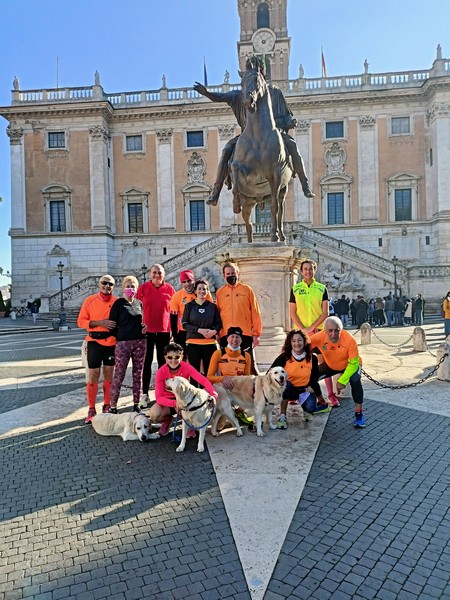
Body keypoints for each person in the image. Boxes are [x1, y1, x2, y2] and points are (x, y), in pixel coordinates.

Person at [193, 62, 314, 207]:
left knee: (293, 146)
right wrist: (206, 93)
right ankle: (216, 190)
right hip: (248, 136)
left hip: (275, 136)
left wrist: (289, 122)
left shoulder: (275, 92)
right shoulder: (240, 95)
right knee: (226, 150)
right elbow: (221, 97)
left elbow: (287, 117)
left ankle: (305, 184)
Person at [148, 343, 217, 437]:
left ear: (181, 357)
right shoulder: (161, 371)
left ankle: (190, 424)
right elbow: (159, 398)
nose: (173, 360)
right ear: (165, 358)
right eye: (170, 357)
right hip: (168, 402)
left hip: (183, 399)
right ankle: (167, 421)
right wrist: (175, 404)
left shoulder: (186, 367)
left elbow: (203, 380)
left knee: (191, 405)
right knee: (154, 413)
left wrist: (213, 394)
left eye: (177, 357)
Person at [310, 316, 366, 428]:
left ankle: (359, 413)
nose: (334, 334)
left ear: (341, 329)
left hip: (351, 365)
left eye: (337, 330)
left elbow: (354, 364)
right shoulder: (319, 337)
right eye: (330, 330)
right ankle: (321, 402)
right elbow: (302, 346)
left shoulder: (349, 340)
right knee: (311, 377)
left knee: (355, 380)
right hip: (332, 365)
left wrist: (342, 380)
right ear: (325, 331)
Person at [77, 274, 118, 424]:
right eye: (104, 283)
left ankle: (107, 405)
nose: (107, 286)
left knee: (108, 375)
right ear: (99, 284)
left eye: (111, 284)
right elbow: (81, 322)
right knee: (93, 375)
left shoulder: (117, 302)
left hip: (111, 342)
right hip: (94, 341)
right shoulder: (90, 301)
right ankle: (91, 408)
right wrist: (101, 322)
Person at [270, 329, 330, 430]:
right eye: (293, 341)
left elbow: (315, 376)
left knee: (310, 408)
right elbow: (271, 371)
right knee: (285, 384)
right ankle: (282, 416)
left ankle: (307, 410)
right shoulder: (284, 357)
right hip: (289, 388)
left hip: (304, 390)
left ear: (304, 341)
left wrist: (312, 387)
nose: (296, 343)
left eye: (299, 340)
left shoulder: (313, 358)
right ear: (290, 343)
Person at [137, 264, 175, 409]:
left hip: (164, 332)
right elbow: (137, 308)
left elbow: (173, 311)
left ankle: (162, 392)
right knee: (146, 363)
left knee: (162, 364)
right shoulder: (143, 288)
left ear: (164, 275)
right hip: (147, 332)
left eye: (159, 273)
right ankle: (145, 394)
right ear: (150, 274)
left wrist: (173, 330)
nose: (156, 275)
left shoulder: (170, 289)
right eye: (154, 272)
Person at [108, 276, 147, 413]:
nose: (131, 289)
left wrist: (144, 328)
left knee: (138, 374)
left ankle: (137, 403)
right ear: (124, 287)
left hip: (140, 342)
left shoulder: (139, 304)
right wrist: (120, 336)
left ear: (137, 288)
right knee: (119, 374)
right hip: (123, 344)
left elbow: (141, 321)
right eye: (128, 286)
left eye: (133, 286)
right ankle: (113, 406)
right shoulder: (119, 304)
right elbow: (111, 325)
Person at [215, 262, 262, 373]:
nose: (231, 275)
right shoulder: (220, 292)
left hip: (244, 334)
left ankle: (255, 389)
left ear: (238, 274)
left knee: (250, 366)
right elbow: (217, 314)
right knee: (226, 367)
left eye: (233, 273)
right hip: (226, 334)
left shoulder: (247, 290)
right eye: (228, 274)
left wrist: (256, 334)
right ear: (224, 276)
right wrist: (218, 333)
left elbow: (255, 312)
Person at [207, 325, 253, 427]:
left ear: (241, 340)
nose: (234, 339)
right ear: (227, 338)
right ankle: (225, 413)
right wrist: (223, 378)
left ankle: (239, 412)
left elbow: (247, 378)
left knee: (255, 391)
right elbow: (209, 377)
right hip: (222, 389)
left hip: (238, 389)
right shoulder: (218, 353)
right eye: (232, 336)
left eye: (237, 337)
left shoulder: (246, 356)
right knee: (220, 426)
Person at [182, 279, 221, 376]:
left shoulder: (212, 307)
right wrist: (198, 330)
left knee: (209, 373)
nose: (202, 291)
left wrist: (214, 332)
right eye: (199, 289)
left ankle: (208, 391)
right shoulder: (189, 306)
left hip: (209, 343)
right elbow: (185, 324)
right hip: (193, 343)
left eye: (204, 289)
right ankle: (195, 391)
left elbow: (219, 323)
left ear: (207, 291)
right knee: (195, 373)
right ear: (195, 291)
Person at [169, 269, 212, 354]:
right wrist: (175, 336)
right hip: (184, 331)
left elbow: (211, 310)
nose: (187, 284)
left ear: (193, 281)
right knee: (184, 356)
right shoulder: (176, 296)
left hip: (201, 329)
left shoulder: (201, 292)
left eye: (189, 281)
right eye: (184, 282)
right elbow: (173, 318)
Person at [289, 259, 329, 336]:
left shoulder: (322, 288)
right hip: (300, 330)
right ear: (301, 271)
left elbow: (325, 312)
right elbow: (292, 312)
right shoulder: (295, 289)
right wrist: (303, 329)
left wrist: (311, 328)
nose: (308, 272)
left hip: (318, 329)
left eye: (311, 269)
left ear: (314, 271)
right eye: (305, 269)